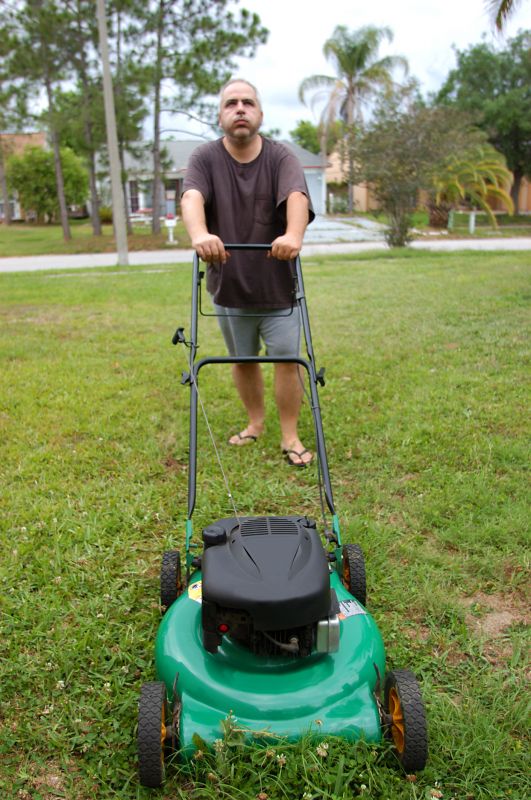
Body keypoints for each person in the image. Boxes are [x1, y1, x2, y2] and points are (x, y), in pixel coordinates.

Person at [181, 78, 314, 467]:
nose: (240, 109)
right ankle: (255, 423)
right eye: (231, 103)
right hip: (230, 287)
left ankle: (290, 436)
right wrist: (200, 234)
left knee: (287, 360)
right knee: (242, 360)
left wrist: (292, 234)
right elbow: (192, 197)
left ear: (260, 113)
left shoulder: (280, 157)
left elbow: (296, 197)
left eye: (248, 103)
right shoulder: (204, 158)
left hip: (278, 286)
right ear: (221, 115)